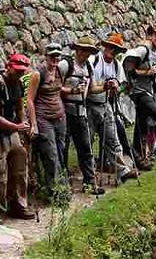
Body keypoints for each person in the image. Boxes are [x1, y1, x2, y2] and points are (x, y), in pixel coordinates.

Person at [0, 53, 35, 221]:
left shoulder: (18, 84)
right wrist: (16, 126)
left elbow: (20, 107)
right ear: (8, 66)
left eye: (22, 71)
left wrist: (24, 125)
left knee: (20, 167)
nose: (19, 73)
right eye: (17, 70)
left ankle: (18, 205)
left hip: (12, 132)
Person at [87, 33, 138, 183]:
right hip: (89, 104)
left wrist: (117, 87)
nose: (112, 51)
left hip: (106, 104)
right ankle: (90, 178)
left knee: (112, 138)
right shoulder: (93, 60)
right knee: (88, 141)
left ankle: (122, 171)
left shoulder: (116, 65)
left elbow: (122, 84)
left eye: (115, 49)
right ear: (105, 47)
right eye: (110, 47)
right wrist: (105, 86)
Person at [60, 37, 104, 195]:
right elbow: (55, 87)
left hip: (81, 111)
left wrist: (106, 86)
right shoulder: (65, 65)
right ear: (77, 49)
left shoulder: (89, 67)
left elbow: (91, 89)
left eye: (89, 51)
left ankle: (90, 183)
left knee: (86, 148)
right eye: (84, 50)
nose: (86, 53)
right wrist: (73, 91)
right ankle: (63, 186)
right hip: (65, 111)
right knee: (63, 149)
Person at [123, 24, 156, 167]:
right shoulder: (143, 49)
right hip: (139, 92)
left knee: (141, 124)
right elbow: (129, 68)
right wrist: (147, 72)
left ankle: (139, 159)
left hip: (148, 91)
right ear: (150, 35)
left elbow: (154, 70)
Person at [26, 43, 68, 198]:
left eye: (58, 56)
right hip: (44, 118)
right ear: (46, 56)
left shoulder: (60, 71)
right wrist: (34, 124)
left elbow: (59, 90)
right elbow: (29, 100)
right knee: (50, 154)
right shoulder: (38, 74)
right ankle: (54, 191)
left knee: (61, 151)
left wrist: (75, 90)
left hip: (60, 117)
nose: (55, 59)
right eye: (52, 56)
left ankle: (62, 186)